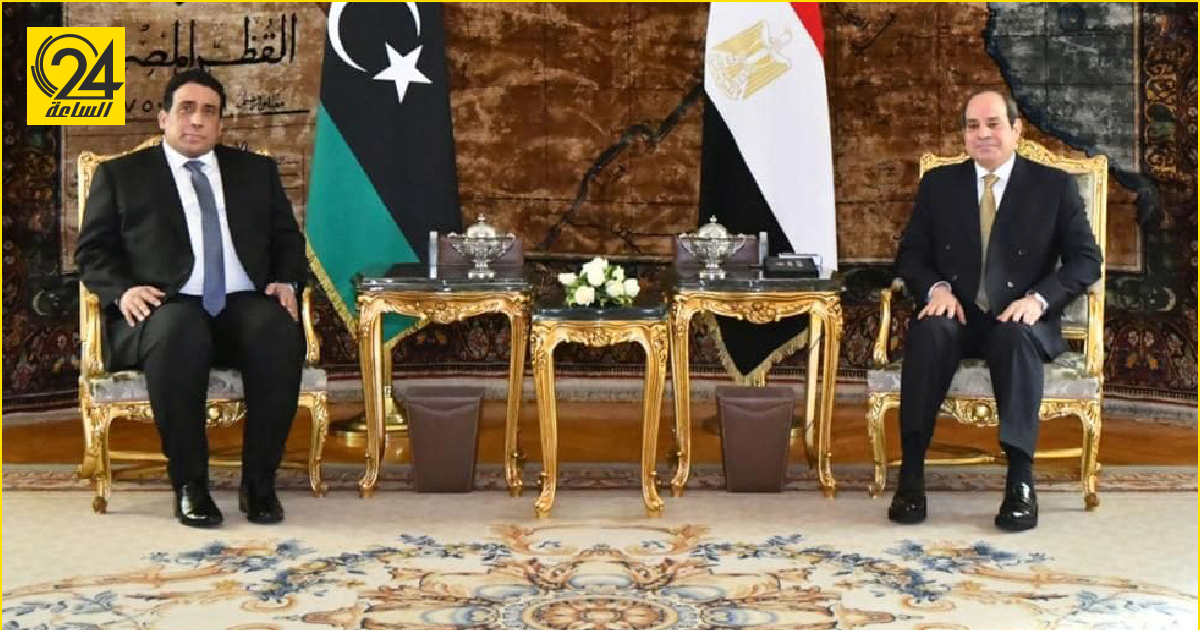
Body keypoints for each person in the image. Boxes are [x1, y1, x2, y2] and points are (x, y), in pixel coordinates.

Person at [75, 69, 307, 528]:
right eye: (186, 109)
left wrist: (286, 280)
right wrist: (123, 290)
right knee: (180, 329)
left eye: (209, 112)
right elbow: (92, 251)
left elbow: (287, 238)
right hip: (165, 307)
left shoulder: (255, 172)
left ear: (221, 124)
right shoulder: (121, 175)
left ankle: (259, 484)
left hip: (241, 303)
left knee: (277, 331)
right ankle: (190, 485)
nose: (197, 120)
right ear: (163, 118)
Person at [889, 90, 1102, 531]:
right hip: (959, 315)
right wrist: (936, 289)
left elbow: (1086, 260)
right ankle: (910, 476)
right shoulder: (939, 185)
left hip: (1018, 318)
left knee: (1015, 337)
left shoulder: (1053, 186)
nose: (982, 134)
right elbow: (911, 254)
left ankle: (1020, 481)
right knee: (929, 330)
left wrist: (1038, 300)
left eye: (993, 124)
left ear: (1016, 129)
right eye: (973, 126)